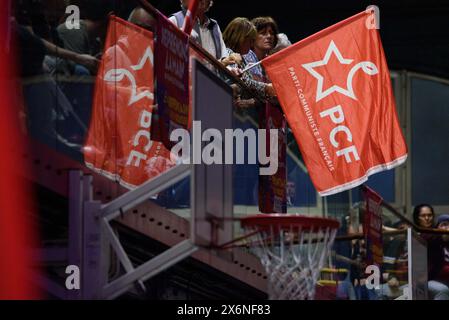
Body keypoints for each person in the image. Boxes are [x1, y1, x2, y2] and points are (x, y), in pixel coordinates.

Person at [222, 17, 276, 106]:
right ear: (240, 38)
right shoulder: (229, 54)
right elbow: (240, 79)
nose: (252, 44)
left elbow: (253, 89)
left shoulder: (243, 59)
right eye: (250, 40)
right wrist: (265, 87)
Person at [427, 214, 449, 300]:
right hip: (432, 280)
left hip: (446, 282)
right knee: (443, 290)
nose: (447, 228)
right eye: (444, 224)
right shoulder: (433, 242)